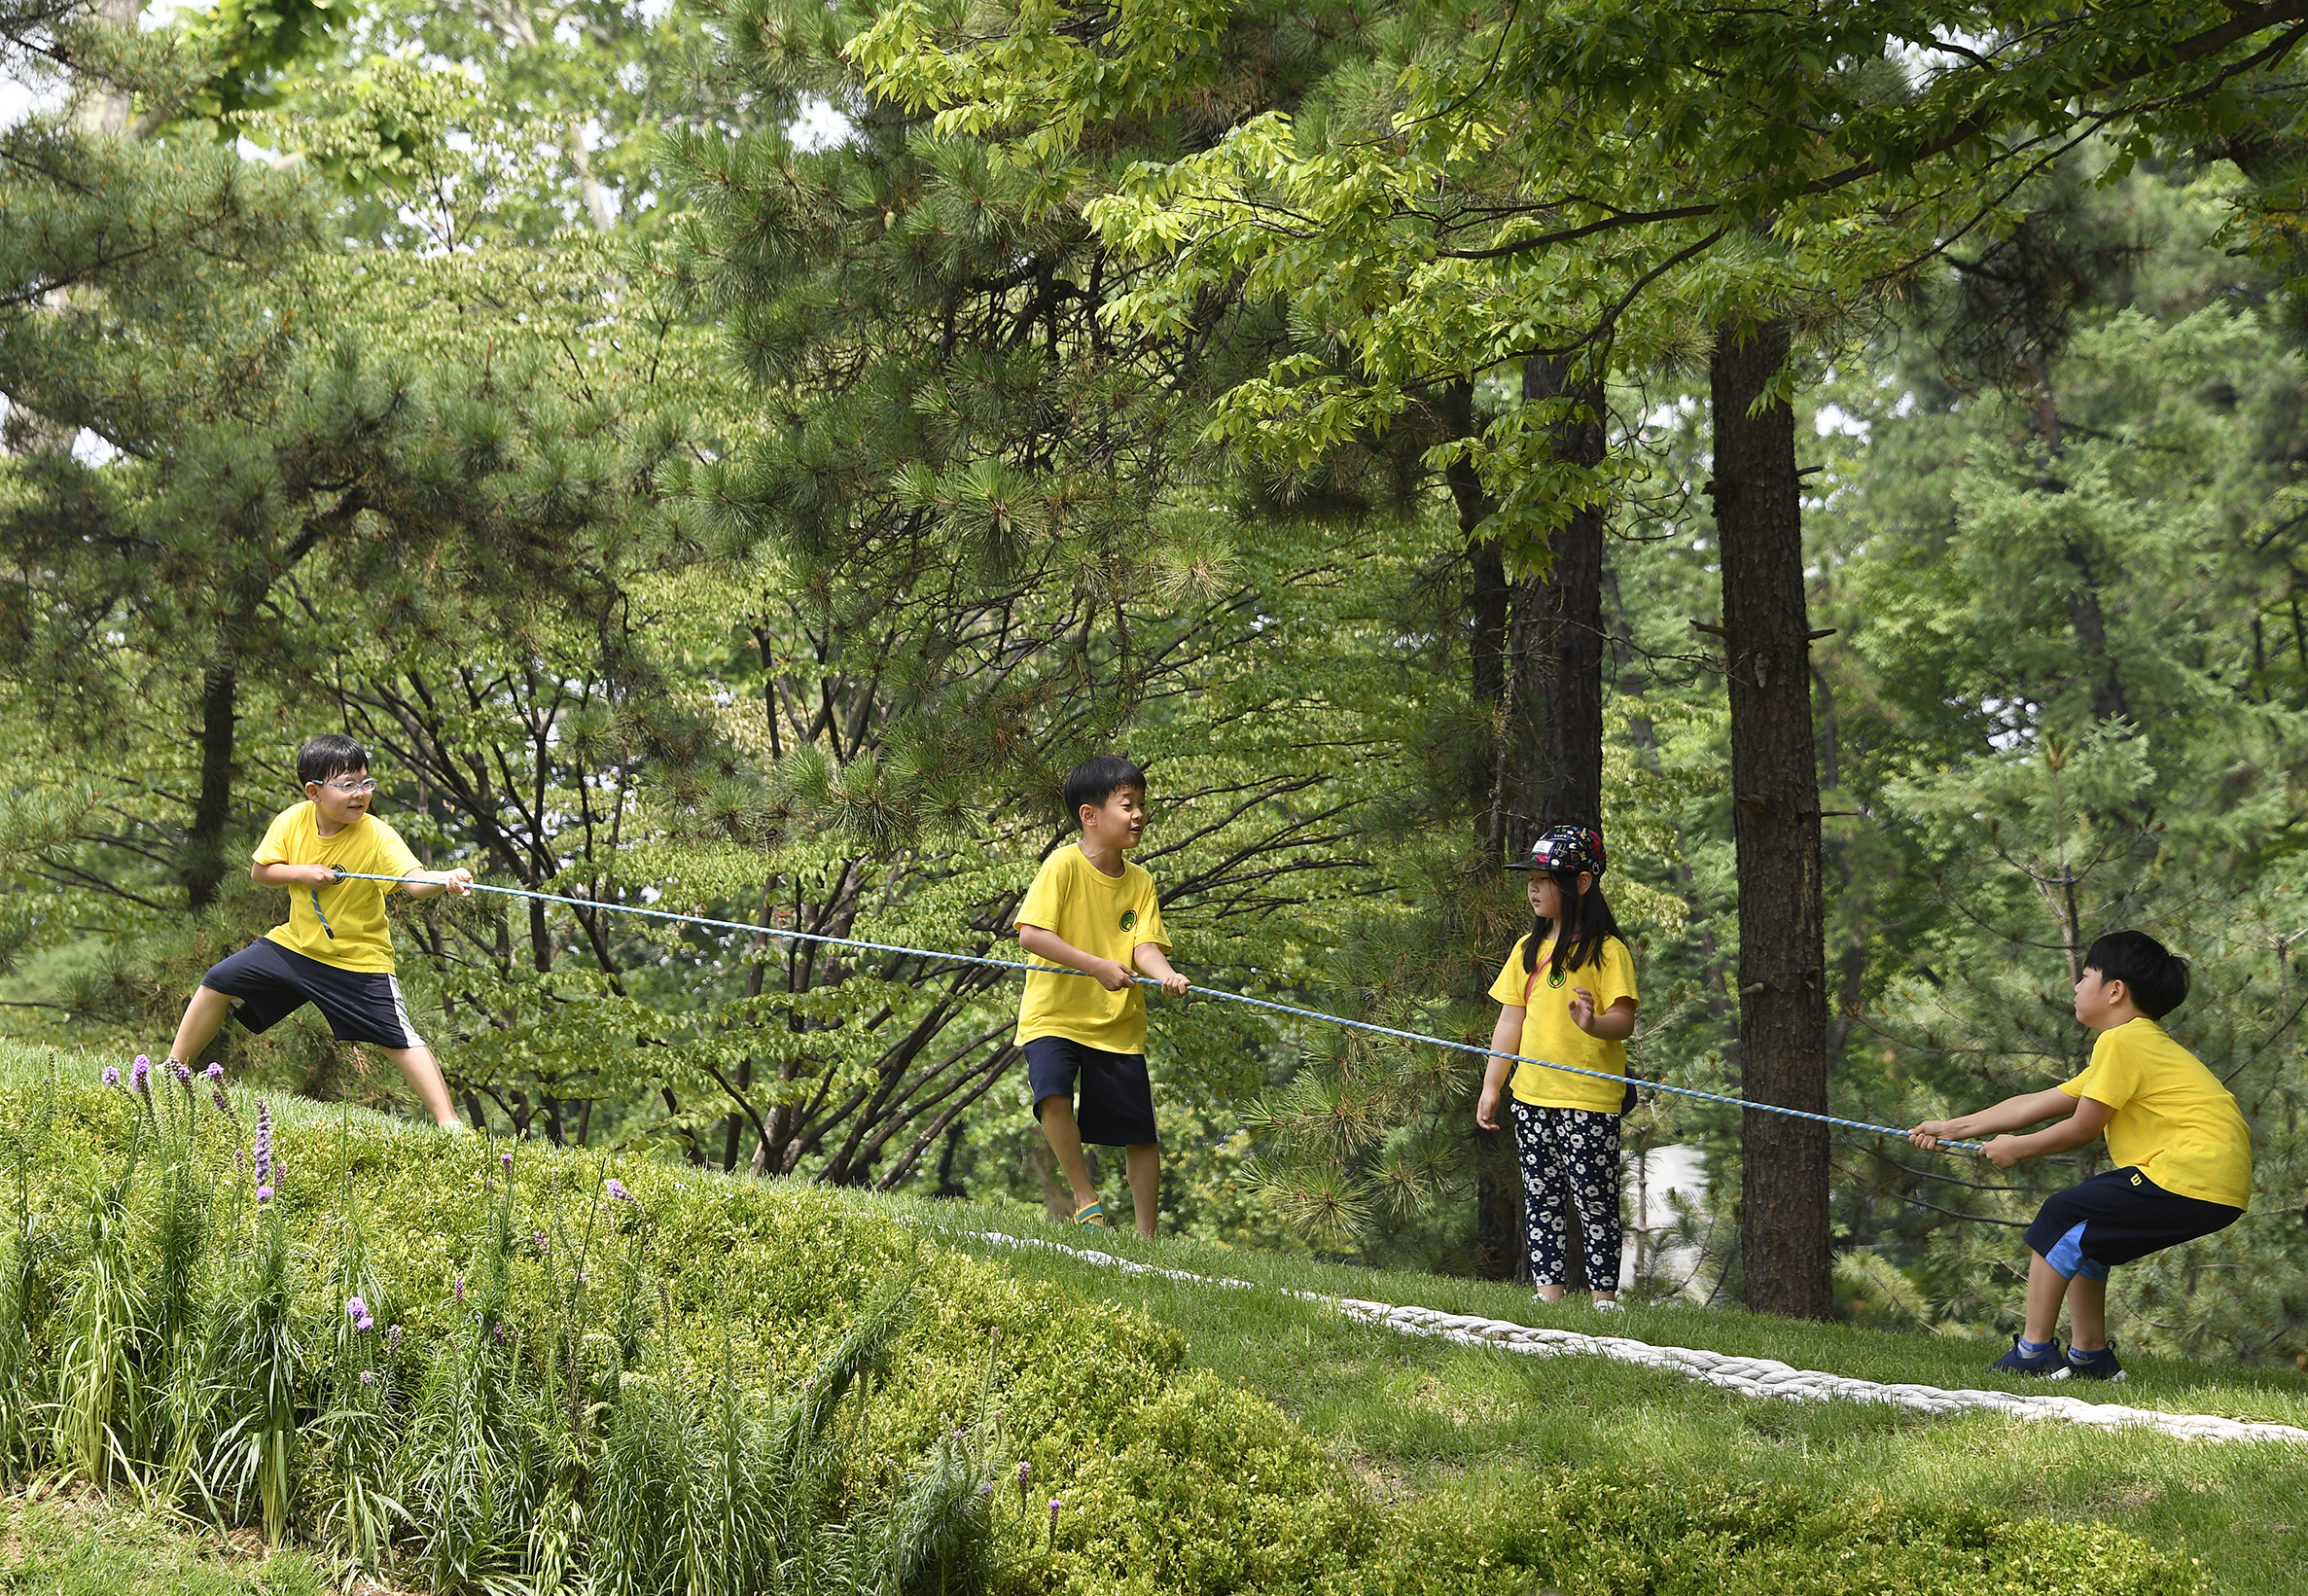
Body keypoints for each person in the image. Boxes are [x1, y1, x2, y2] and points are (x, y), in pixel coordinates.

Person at [1911, 930, 2252, 1382]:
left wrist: (2018, 1147)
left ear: (2115, 990)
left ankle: (2033, 1352)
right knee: (2091, 1242)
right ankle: (2089, 1357)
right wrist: (1950, 1127)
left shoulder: (2121, 1043)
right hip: (2217, 1185)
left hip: (2187, 1172)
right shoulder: (2135, 1046)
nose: (2075, 986)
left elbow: (2082, 1127)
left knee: (2061, 1215)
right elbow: (2038, 1102)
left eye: (2086, 975)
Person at [160, 733, 475, 1128]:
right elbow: (262, 872)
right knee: (219, 979)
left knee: (399, 1040)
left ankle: (450, 1125)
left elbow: (413, 883)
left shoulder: (377, 834)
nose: (360, 794)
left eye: (366, 782)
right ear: (314, 792)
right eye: (347, 785)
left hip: (359, 962)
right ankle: (172, 1070)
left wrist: (444, 879)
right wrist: (303, 874)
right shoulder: (292, 821)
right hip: (295, 947)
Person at [1014, 755, 1190, 1237]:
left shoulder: (1141, 881)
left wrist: (1168, 974)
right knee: (1051, 1095)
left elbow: (1144, 946)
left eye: (1141, 805)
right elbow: (1031, 934)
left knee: (1139, 1132)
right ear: (1089, 815)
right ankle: (1085, 1199)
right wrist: (1094, 966)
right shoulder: (1062, 866)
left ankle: (1147, 1238)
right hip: (1054, 1014)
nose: (1138, 815)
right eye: (1127, 805)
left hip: (1116, 1024)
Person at [1475, 824, 1638, 1308]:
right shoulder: (1527, 949)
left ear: (1582, 883)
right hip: (1531, 1096)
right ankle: (1548, 1295)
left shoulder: (1609, 951)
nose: (1533, 887)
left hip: (1589, 1100)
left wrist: (1593, 1023)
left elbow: (1623, 1020)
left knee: (1594, 1201)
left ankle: (1604, 1301)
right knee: (1540, 1197)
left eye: (1546, 878)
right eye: (1532, 877)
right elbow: (1510, 1020)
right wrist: (1492, 1086)